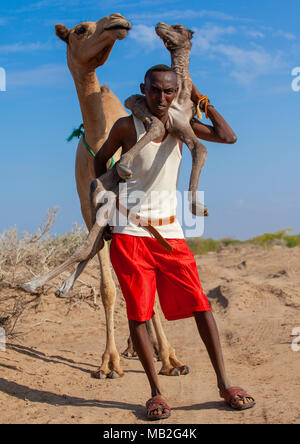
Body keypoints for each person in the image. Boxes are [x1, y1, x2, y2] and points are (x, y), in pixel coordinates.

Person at [94, 65, 255, 420]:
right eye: (155, 91)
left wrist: (201, 99)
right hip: (130, 235)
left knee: (201, 305)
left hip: (170, 236)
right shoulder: (126, 126)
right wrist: (105, 211)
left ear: (176, 91)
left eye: (169, 92)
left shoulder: (180, 127)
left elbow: (227, 137)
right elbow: (100, 160)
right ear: (143, 89)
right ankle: (155, 393)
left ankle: (225, 384)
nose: (162, 98)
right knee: (138, 313)